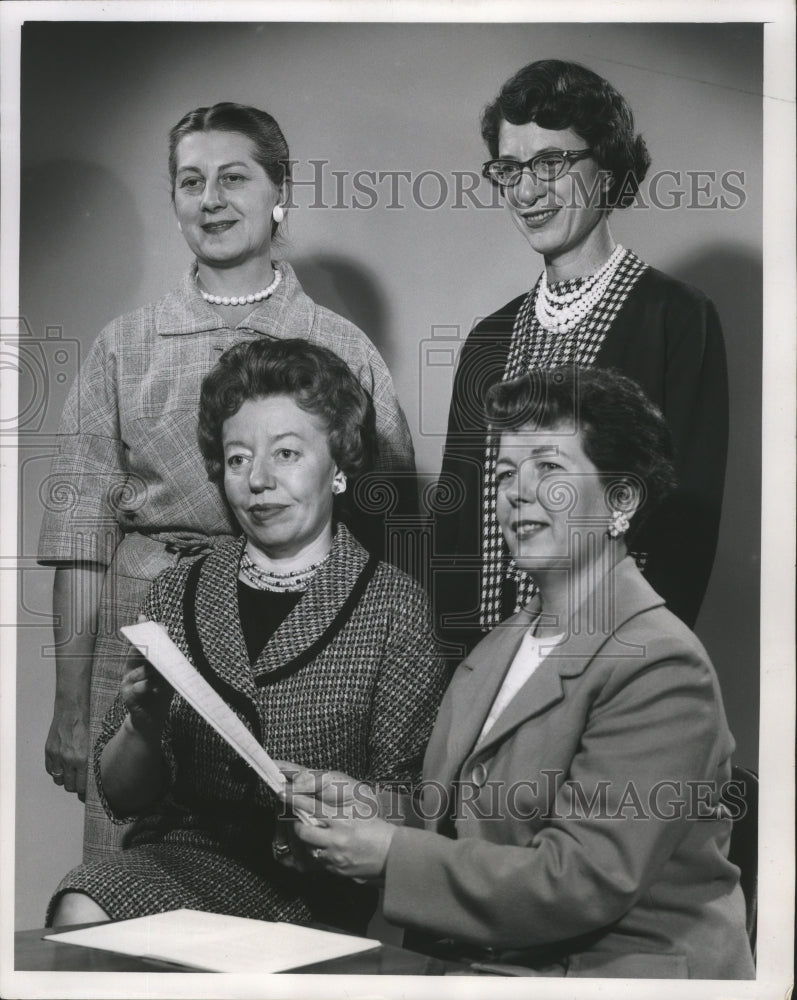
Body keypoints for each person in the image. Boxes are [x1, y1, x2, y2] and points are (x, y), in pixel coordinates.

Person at [282, 367, 754, 979]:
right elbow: (469, 820)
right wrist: (369, 808)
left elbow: (581, 881)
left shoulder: (661, 662)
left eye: (549, 469)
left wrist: (392, 855)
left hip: (615, 976)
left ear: (621, 500)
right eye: (505, 474)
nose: (516, 493)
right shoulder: (499, 645)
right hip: (495, 964)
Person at [37, 101, 415, 861]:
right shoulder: (125, 346)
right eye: (190, 181)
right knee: (128, 876)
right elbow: (79, 540)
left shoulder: (339, 346)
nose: (210, 199)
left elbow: (391, 535)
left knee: (274, 871)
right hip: (140, 638)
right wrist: (73, 707)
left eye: (233, 177)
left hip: (295, 647)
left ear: (281, 193)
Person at [46, 338, 446, 931]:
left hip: (319, 885)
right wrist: (144, 724)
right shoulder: (176, 591)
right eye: (237, 459)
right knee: (83, 902)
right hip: (181, 860)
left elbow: (413, 810)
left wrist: (340, 802)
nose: (258, 479)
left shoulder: (394, 608)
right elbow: (122, 796)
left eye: (286, 453)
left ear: (337, 464)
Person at [435, 59, 727, 656]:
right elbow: (456, 525)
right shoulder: (489, 340)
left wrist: (628, 663)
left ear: (607, 169)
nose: (526, 189)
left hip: (614, 659)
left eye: (551, 162)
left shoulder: (676, 318)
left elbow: (684, 528)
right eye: (510, 168)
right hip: (487, 664)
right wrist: (464, 675)